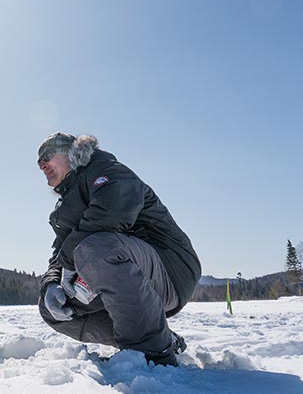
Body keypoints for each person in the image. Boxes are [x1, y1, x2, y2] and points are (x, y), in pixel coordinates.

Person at [36, 132, 201, 366]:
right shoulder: (65, 207)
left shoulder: (108, 170)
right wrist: (52, 282)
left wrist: (69, 261)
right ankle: (159, 338)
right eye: (38, 163)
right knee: (51, 308)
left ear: (72, 152)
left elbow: (112, 214)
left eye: (47, 156)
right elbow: (60, 251)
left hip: (170, 271)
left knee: (95, 249)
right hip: (115, 274)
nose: (42, 165)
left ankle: (154, 353)